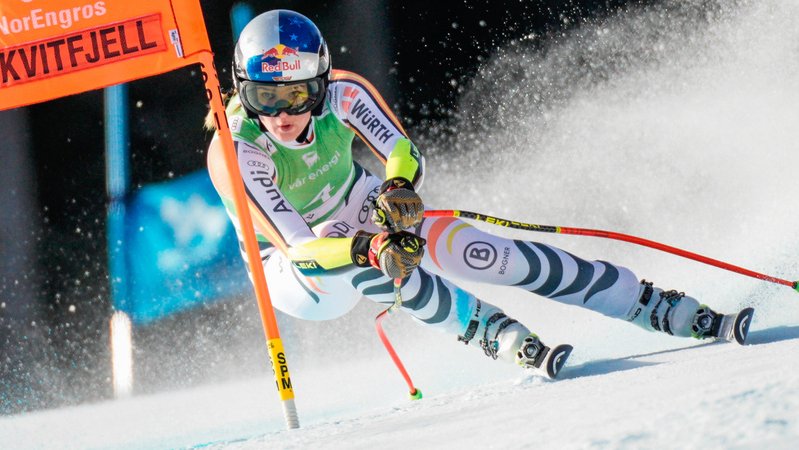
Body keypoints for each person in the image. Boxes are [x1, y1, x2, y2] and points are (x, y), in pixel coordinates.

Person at [206, 9, 747, 378]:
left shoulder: (342, 94)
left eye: (298, 95)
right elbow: (302, 248)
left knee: (475, 249)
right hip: (294, 268)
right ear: (242, 89)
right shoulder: (237, 151)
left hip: (356, 202)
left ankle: (647, 303)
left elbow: (402, 152)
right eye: (265, 98)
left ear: (320, 84)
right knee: (380, 267)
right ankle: (491, 331)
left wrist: (398, 187)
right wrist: (369, 245)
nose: (283, 114)